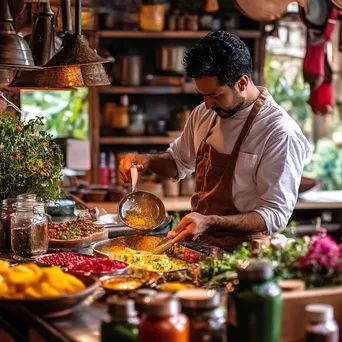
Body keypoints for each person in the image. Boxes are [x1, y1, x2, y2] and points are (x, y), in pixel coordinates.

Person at [119, 31, 311, 252]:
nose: (208, 105)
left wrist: (210, 222)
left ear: (242, 83)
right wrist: (146, 160)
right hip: (199, 246)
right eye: (203, 95)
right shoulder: (204, 114)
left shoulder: (278, 132)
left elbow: (275, 215)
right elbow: (178, 162)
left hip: (245, 255)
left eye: (216, 96)